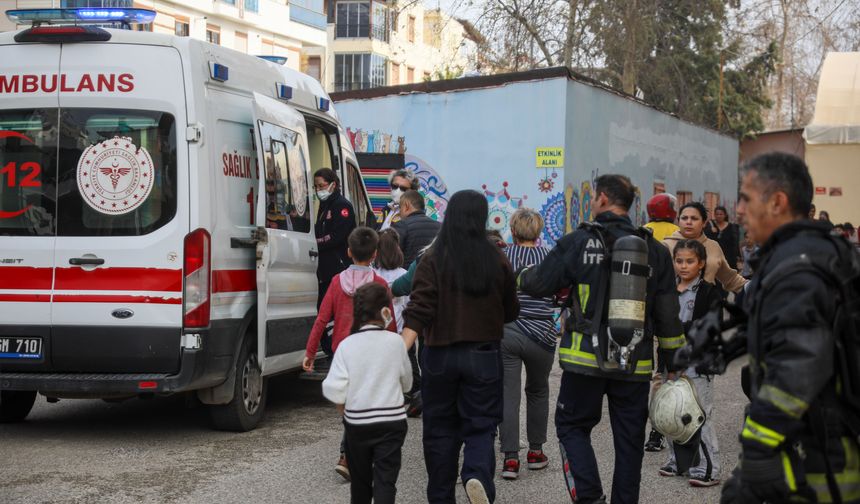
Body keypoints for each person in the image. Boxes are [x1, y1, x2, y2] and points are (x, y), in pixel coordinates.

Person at [519, 174, 685, 504]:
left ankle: (589, 496)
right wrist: (673, 364)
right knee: (630, 443)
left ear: (604, 199)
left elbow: (538, 283)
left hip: (585, 360)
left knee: (571, 427)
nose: (593, 202)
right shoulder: (654, 250)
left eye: (594, 197)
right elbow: (668, 315)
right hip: (634, 363)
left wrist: (519, 276)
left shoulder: (578, 241)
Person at [721, 152, 860, 504]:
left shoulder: (799, 268)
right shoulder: (818, 254)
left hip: (820, 458)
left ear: (777, 202)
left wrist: (757, 447)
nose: (739, 210)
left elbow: (800, 364)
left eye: (746, 198)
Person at [402, 189, 520, 504]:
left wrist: (399, 350)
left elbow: (420, 307)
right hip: (483, 355)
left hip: (439, 355)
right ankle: (476, 474)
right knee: (482, 425)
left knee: (440, 430)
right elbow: (511, 310)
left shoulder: (432, 257)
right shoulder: (496, 258)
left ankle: (441, 496)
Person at [303, 227, 396, 480]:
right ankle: (351, 454)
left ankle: (348, 455)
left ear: (348, 252)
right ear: (375, 254)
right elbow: (389, 322)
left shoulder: (336, 282)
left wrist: (310, 352)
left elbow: (322, 319)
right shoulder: (380, 285)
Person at [322, 282, 413, 504]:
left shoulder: (346, 345)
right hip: (392, 422)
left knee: (360, 484)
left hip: (357, 424)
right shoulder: (396, 343)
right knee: (385, 481)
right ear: (386, 311)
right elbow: (407, 384)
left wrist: (346, 414)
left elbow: (335, 390)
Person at [658, 239, 723, 487]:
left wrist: (676, 328)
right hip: (671, 363)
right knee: (672, 412)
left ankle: (709, 468)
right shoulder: (667, 290)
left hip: (698, 365)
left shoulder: (709, 292)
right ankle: (677, 461)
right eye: (679, 261)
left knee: (699, 416)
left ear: (701, 263)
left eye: (690, 261)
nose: (683, 266)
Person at [498, 208, 557, 481]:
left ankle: (510, 458)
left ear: (512, 231)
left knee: (508, 394)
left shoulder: (503, 256)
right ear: (539, 231)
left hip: (509, 331)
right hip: (543, 334)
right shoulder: (550, 258)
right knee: (538, 390)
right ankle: (536, 452)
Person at [373, 228, 422, 417]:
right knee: (410, 363)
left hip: (381, 331)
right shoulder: (405, 273)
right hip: (403, 331)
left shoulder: (374, 275)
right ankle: (414, 392)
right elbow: (411, 303)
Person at [313, 168, 357, 367]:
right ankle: (329, 351)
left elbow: (338, 236)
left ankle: (335, 353)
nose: (318, 190)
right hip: (324, 269)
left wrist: (316, 242)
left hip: (338, 268)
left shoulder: (342, 206)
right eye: (316, 186)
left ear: (333, 184)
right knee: (323, 311)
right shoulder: (324, 206)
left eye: (321, 186)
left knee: (333, 312)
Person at [663, 202, 747, 294]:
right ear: (678, 221)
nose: (688, 222)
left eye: (694, 218)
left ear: (703, 223)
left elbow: (730, 279)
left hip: (705, 301)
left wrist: (752, 287)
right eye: (684, 218)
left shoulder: (713, 246)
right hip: (673, 300)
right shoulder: (666, 246)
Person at [391, 189, 441, 267]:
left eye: (400, 207)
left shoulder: (401, 225)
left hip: (407, 273)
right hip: (430, 273)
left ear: (406, 206)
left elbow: (391, 256)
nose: (399, 212)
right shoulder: (439, 227)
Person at [705, 206, 741, 270]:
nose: (719, 216)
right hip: (713, 259)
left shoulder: (732, 227)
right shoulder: (710, 225)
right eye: (717, 214)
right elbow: (706, 240)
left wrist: (737, 257)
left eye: (721, 214)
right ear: (714, 215)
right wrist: (710, 231)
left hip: (729, 259)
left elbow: (735, 244)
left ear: (725, 215)